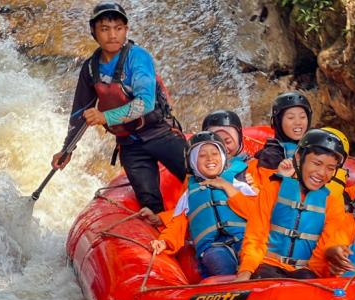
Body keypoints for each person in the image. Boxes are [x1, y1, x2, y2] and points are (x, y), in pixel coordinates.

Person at [51, 2, 186, 219]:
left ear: (126, 30)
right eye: (105, 29)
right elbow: (80, 113)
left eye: (118, 28)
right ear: (93, 32)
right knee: (150, 205)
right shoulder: (90, 68)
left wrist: (105, 116)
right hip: (130, 144)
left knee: (200, 179)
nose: (113, 35)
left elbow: (145, 103)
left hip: (160, 134)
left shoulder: (138, 57)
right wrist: (67, 150)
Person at [235, 128, 350, 281]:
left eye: (330, 168)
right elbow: (256, 238)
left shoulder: (333, 204)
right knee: (265, 276)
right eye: (317, 163)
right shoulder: (272, 190)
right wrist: (245, 272)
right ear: (298, 158)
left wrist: (333, 252)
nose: (322, 173)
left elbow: (329, 243)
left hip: (305, 273)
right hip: (267, 267)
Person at [150, 132, 256, 277]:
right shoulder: (189, 193)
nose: (210, 159)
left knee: (256, 262)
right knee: (219, 263)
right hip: (213, 247)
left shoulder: (238, 184)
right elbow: (177, 224)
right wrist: (164, 242)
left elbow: (255, 213)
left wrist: (228, 187)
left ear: (223, 157)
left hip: (246, 239)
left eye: (214, 153)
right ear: (193, 162)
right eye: (202, 155)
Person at [247, 91, 312, 188]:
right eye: (290, 117)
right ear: (278, 122)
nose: (298, 122)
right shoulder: (270, 155)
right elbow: (267, 193)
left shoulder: (313, 148)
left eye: (302, 117)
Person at [201, 109, 255, 187]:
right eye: (217, 144)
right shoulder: (198, 169)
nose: (223, 149)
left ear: (239, 139)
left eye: (228, 142)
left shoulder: (253, 167)